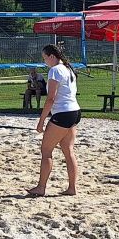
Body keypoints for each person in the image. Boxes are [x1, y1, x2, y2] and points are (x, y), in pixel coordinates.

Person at [26, 44, 81, 197]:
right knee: (68, 150)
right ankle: (72, 188)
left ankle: (41, 187)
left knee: (46, 150)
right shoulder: (68, 68)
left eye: (45, 59)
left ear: (52, 56)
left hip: (63, 113)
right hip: (74, 111)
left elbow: (50, 99)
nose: (45, 62)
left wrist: (41, 121)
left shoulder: (55, 70)